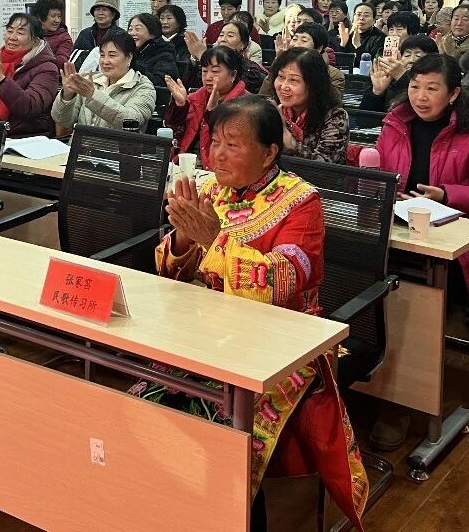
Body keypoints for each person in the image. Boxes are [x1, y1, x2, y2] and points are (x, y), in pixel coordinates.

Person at [145, 96, 370, 531]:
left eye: (233, 145)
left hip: (283, 343)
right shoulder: (212, 190)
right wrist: (184, 239)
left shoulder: (301, 201)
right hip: (210, 331)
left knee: (219, 433)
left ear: (269, 153)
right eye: (215, 142)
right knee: (150, 402)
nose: (218, 155)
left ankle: (227, 518)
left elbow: (282, 281)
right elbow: (168, 269)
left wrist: (213, 240)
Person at [374, 54, 469, 335]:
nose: (420, 97)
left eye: (432, 88)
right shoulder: (395, 123)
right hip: (398, 228)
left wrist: (445, 195)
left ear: (453, 94)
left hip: (455, 239)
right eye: (414, 87)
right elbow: (377, 173)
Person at [163, 45, 250, 167]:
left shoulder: (247, 105)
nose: (208, 77)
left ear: (233, 75)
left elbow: (232, 143)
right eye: (204, 71)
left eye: (215, 71)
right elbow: (173, 132)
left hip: (219, 166)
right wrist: (180, 106)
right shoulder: (195, 99)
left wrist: (212, 113)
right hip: (185, 161)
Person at [51, 32, 156, 132]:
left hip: (115, 145)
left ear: (129, 58)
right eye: (102, 55)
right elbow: (62, 121)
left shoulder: (143, 87)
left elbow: (132, 123)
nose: (105, 61)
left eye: (112, 55)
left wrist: (93, 95)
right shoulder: (91, 80)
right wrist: (67, 96)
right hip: (80, 143)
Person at [266, 48, 349, 163]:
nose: (284, 86)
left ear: (313, 85)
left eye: (293, 80)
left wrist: (289, 141)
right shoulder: (272, 108)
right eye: (281, 77)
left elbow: (325, 164)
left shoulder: (335, 116)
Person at [264, 22, 346, 100]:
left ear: (318, 48)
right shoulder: (283, 68)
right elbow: (264, 96)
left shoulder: (334, 75)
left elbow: (330, 103)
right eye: (295, 39)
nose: (296, 44)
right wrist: (279, 62)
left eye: (304, 41)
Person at [361, 35, 438, 110]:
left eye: (418, 55)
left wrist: (401, 76)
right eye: (407, 55)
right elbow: (364, 115)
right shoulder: (388, 80)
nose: (411, 60)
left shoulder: (436, 82)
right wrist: (376, 92)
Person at [127, 12, 181, 87]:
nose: (132, 33)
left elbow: (161, 84)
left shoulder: (164, 54)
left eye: (138, 29)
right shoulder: (129, 52)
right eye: (130, 29)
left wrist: (136, 65)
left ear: (152, 32)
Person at [220, 19, 268, 92]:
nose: (223, 39)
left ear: (243, 44)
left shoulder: (251, 72)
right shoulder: (209, 62)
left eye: (230, 36)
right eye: (221, 35)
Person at [33, 0, 73, 66]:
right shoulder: (30, 32)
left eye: (59, 16)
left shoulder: (64, 38)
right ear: (40, 17)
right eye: (53, 16)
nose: (57, 20)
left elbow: (61, 62)